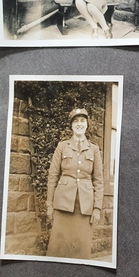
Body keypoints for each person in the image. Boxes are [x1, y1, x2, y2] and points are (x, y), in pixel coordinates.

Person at [46, 108, 103, 259]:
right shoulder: (62, 146)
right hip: (63, 205)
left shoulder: (94, 149)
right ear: (71, 126)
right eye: (75, 121)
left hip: (84, 207)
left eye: (82, 121)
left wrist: (97, 209)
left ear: (87, 125)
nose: (79, 124)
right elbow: (52, 176)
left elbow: (98, 181)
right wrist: (49, 206)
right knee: (58, 250)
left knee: (81, 252)